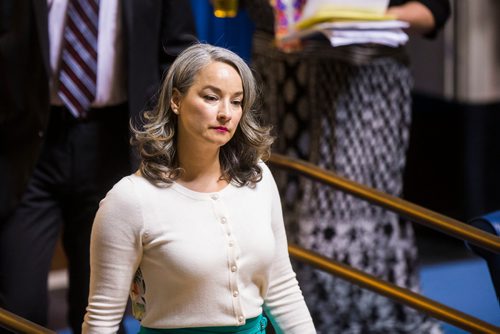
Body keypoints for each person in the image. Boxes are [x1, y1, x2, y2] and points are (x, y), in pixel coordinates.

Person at [243, 0, 451, 333]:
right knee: (279, 212)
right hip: (283, 77)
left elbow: (435, 11)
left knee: (349, 220)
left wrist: (374, 19)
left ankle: (358, 321)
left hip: (366, 86)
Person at [82, 43, 316, 334]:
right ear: (176, 101)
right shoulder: (130, 199)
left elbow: (281, 287)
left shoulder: (258, 177)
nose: (225, 113)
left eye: (236, 101)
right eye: (211, 97)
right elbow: (102, 320)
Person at [0, 1, 197, 332]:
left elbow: (178, 57)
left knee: (99, 308)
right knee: (18, 307)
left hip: (116, 144)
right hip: (26, 142)